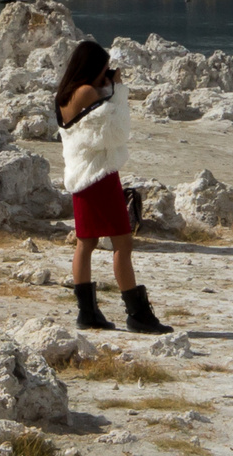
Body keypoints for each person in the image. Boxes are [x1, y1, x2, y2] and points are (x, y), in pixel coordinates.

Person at [55, 39, 172, 334]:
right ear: (93, 68)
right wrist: (118, 90)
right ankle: (138, 314)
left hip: (81, 176)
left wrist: (108, 87)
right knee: (123, 242)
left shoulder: (67, 94)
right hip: (98, 176)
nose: (106, 73)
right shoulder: (87, 92)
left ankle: (88, 312)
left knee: (87, 243)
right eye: (104, 68)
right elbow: (116, 131)